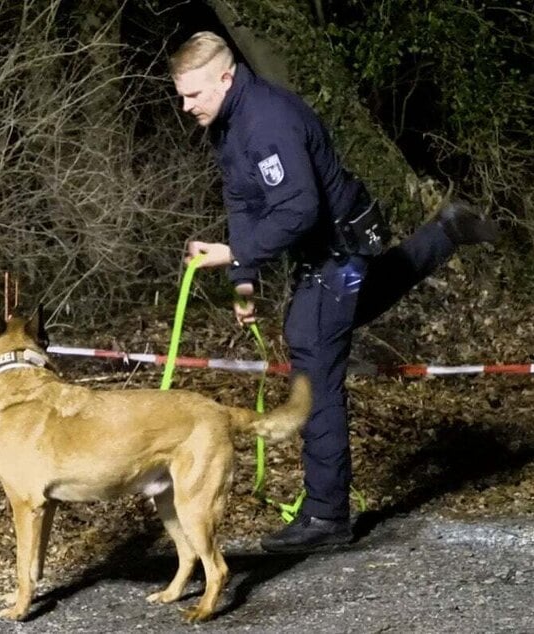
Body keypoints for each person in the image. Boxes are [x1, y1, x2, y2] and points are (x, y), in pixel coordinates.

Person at [171, 32, 498, 553]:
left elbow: (299, 210)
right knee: (335, 319)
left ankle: (327, 516)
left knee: (313, 348)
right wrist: (245, 276)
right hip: (327, 248)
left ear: (225, 78)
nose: (186, 106)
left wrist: (232, 253)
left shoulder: (266, 122)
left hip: (343, 246)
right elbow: (243, 200)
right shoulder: (227, 125)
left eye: (193, 94)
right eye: (181, 96)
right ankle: (446, 233)